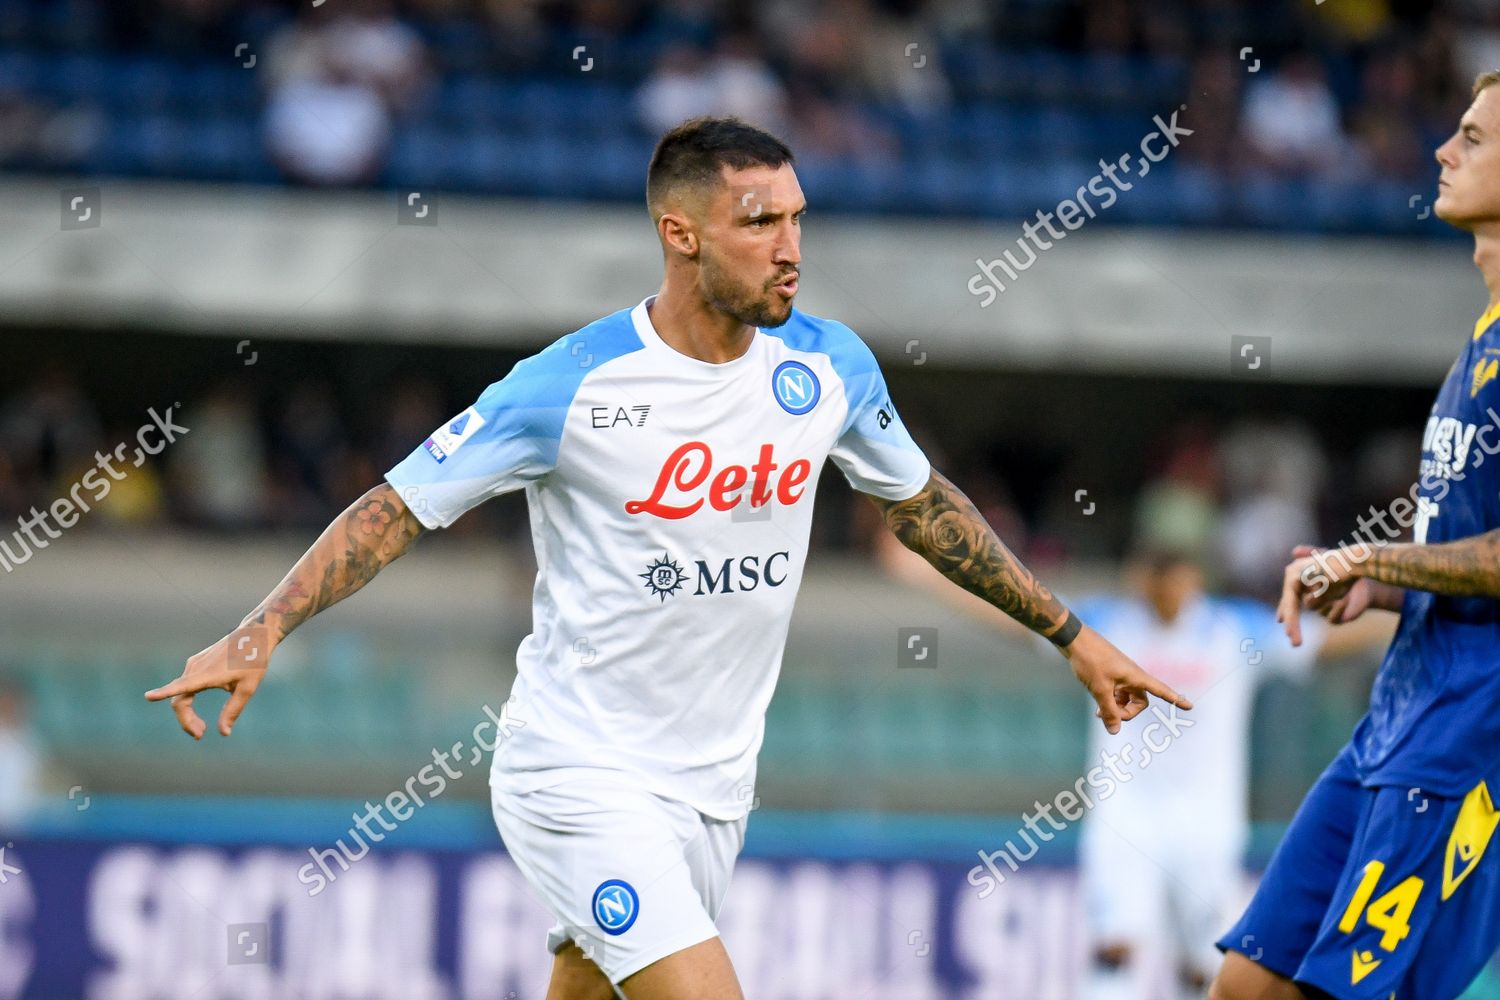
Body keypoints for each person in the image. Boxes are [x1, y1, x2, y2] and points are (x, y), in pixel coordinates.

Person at [147, 116, 1189, 1000]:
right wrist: (265, 623)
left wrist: (1071, 634)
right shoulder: (569, 386)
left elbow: (923, 507)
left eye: (797, 220)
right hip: (577, 771)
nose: (791, 248)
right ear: (679, 233)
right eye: (760, 223)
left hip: (713, 787)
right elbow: (395, 508)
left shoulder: (827, 367)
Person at [1211, 71, 1500, 1000]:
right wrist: (1387, 587)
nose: (1441, 152)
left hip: (1468, 740)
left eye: (1473, 138)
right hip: (1398, 714)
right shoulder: (1482, 337)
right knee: (1248, 984)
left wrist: (1374, 556)